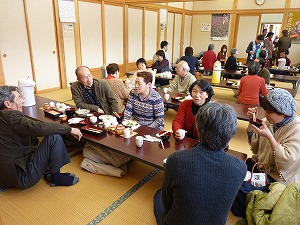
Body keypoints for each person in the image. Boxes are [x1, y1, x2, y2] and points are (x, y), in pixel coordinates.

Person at [154, 102, 247, 225]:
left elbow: (167, 202)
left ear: (198, 128)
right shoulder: (240, 167)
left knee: (158, 196)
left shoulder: (176, 160)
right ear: (231, 134)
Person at [0, 86, 83, 188]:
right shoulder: (11, 117)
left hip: (6, 175)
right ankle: (55, 178)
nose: (22, 100)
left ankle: (48, 172)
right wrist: (69, 129)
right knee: (54, 137)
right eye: (19, 98)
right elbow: (39, 128)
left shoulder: (3, 117)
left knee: (41, 142)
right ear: (8, 104)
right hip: (21, 176)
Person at [247, 88, 300, 184]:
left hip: (277, 179)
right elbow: (255, 148)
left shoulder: (296, 129)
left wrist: (270, 137)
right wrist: (252, 121)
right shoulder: (270, 122)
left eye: (269, 112)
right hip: (261, 169)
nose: (265, 115)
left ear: (283, 112)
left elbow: (287, 162)